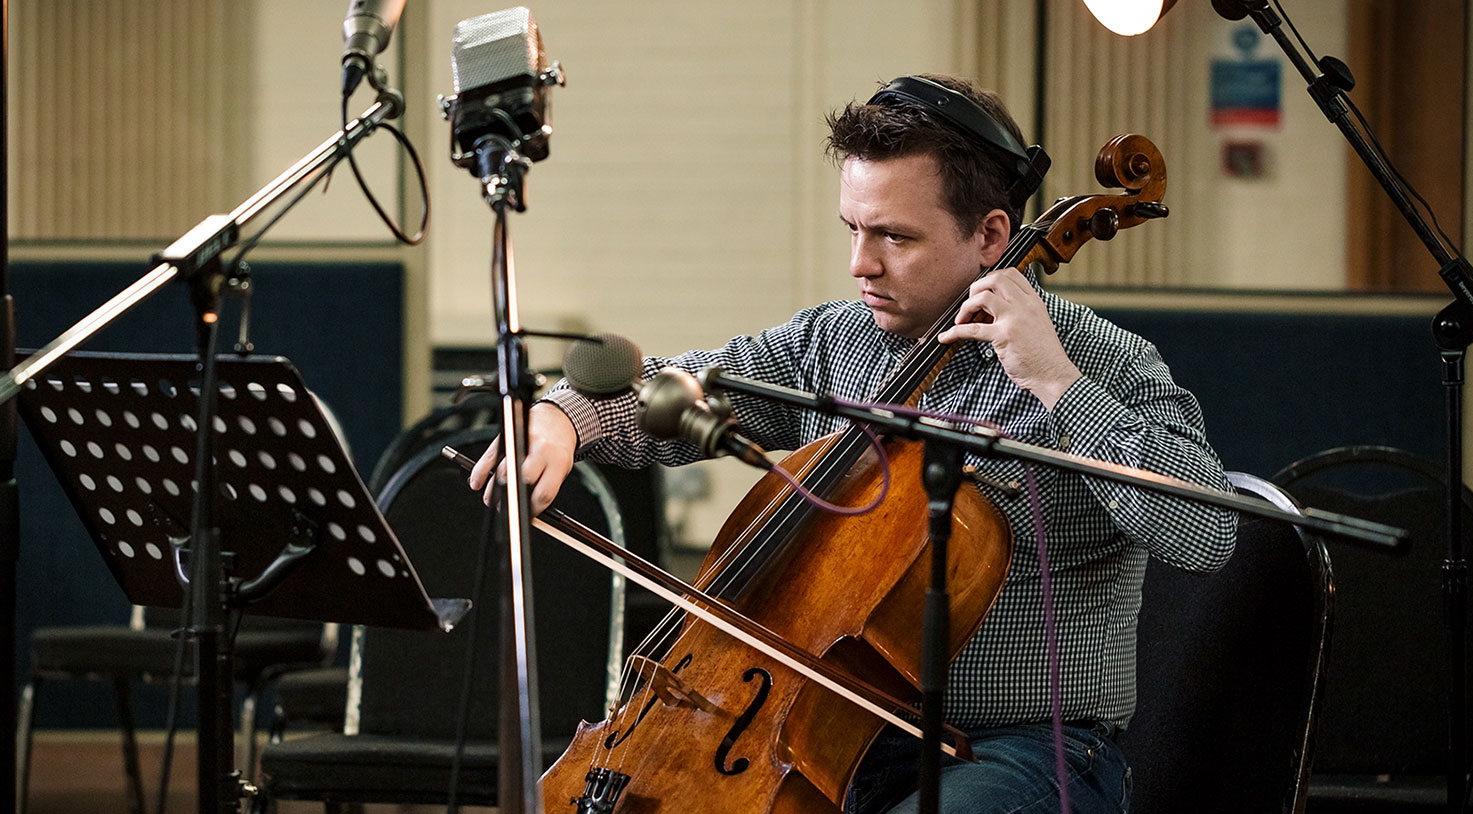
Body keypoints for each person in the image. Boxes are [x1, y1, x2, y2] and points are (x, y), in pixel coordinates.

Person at [469, 73, 1236, 814]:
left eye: (894, 236)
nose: (860, 264)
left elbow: (1206, 531)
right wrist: (565, 417)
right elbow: (681, 390)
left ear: (990, 236)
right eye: (854, 229)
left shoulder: (1107, 362)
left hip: (1023, 754)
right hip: (820, 741)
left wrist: (1057, 384)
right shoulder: (832, 342)